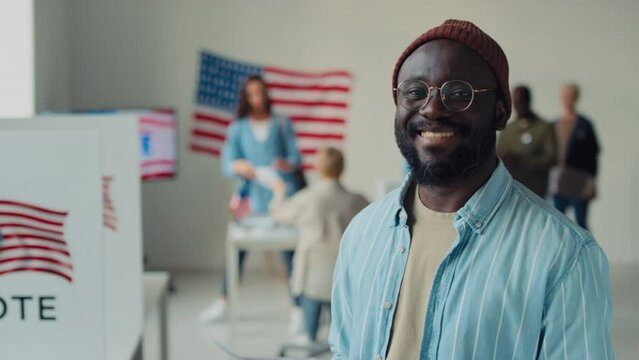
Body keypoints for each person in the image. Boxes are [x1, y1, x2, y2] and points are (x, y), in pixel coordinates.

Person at [329, 20, 613, 359]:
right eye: (415, 92)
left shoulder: (565, 257)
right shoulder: (363, 232)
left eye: (459, 93)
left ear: (500, 112)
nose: (432, 108)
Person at [198, 75, 303, 323]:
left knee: (290, 251)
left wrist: (286, 164)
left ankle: (298, 307)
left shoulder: (281, 123)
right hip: (252, 198)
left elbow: (296, 157)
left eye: (260, 92)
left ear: (266, 94)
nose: (257, 98)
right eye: (251, 94)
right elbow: (226, 163)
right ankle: (224, 301)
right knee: (239, 249)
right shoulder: (238, 128)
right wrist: (239, 166)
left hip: (279, 195)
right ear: (245, 97)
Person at [270, 147, 369, 344]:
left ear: (318, 168)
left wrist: (279, 191)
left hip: (311, 281)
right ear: (342, 168)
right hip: (344, 280)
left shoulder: (306, 199)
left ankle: (310, 338)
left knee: (309, 328)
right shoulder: (358, 201)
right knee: (341, 333)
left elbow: (278, 212)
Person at [550, 83, 600, 229]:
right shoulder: (554, 124)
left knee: (581, 223)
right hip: (560, 179)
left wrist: (593, 184)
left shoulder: (585, 125)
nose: (567, 100)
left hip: (579, 180)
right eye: (565, 97)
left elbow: (593, 155)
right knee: (558, 223)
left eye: (570, 97)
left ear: (576, 98)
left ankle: (586, 252)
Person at [497, 85, 557, 198]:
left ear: (529, 101)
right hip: (510, 191)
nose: (519, 106)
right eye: (516, 102)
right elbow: (497, 156)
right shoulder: (508, 129)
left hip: (535, 191)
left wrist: (523, 162)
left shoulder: (544, 128)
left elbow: (551, 158)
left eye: (522, 101)